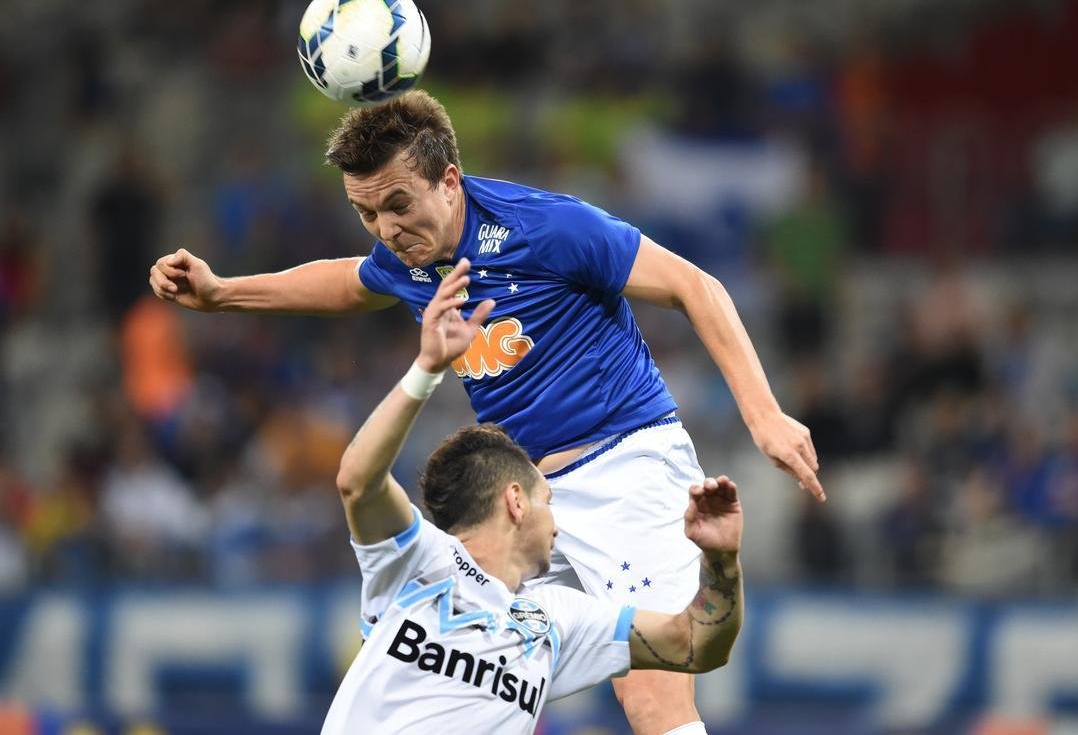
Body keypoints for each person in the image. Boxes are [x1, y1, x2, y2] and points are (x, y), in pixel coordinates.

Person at [149, 90, 821, 735]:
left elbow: (694, 285)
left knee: (652, 688)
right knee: (457, 669)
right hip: (522, 504)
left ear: (449, 181)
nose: (387, 229)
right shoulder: (407, 256)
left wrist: (764, 415)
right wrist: (223, 293)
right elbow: (351, 282)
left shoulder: (547, 228)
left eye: (398, 204)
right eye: (366, 213)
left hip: (626, 471)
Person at [325, 259, 743, 733]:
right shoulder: (418, 563)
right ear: (516, 501)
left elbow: (694, 644)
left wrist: (721, 562)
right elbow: (358, 481)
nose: (559, 523)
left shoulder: (556, 621)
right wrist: (427, 369)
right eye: (549, 500)